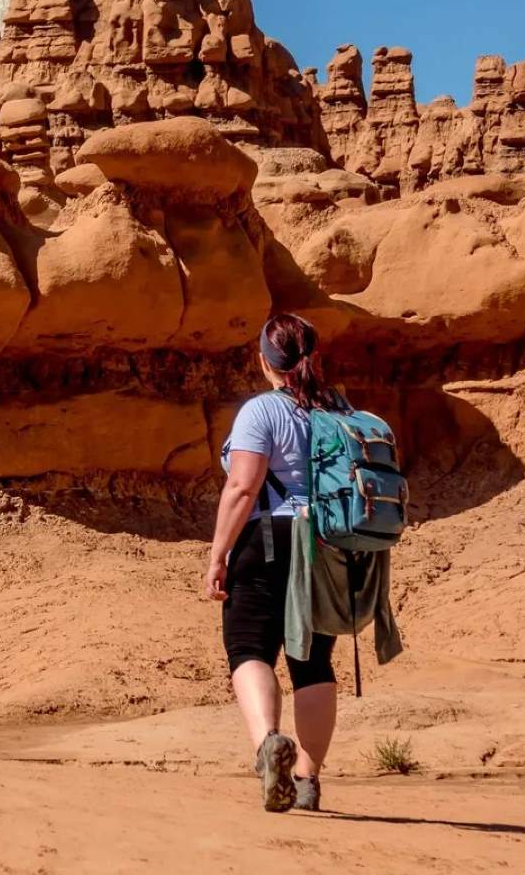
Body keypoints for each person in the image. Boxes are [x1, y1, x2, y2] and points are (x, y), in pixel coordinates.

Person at [203, 312, 339, 813]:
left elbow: (243, 487)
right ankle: (307, 779)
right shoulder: (338, 409)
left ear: (264, 361)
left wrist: (218, 554)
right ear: (314, 358)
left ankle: (268, 744)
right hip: (326, 542)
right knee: (312, 660)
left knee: (249, 647)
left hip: (269, 537)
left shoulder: (261, 411)